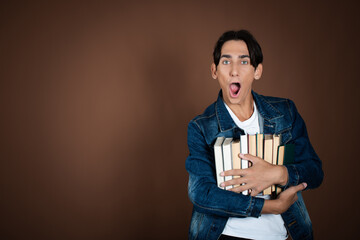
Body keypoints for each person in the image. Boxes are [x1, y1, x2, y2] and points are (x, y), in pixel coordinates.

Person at [185, 30, 323, 240]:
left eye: (243, 61)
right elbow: (201, 193)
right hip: (225, 235)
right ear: (214, 70)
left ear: (257, 71)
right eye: (225, 62)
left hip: (283, 235)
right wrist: (270, 206)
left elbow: (314, 171)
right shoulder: (200, 127)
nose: (234, 71)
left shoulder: (285, 112)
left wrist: (278, 173)